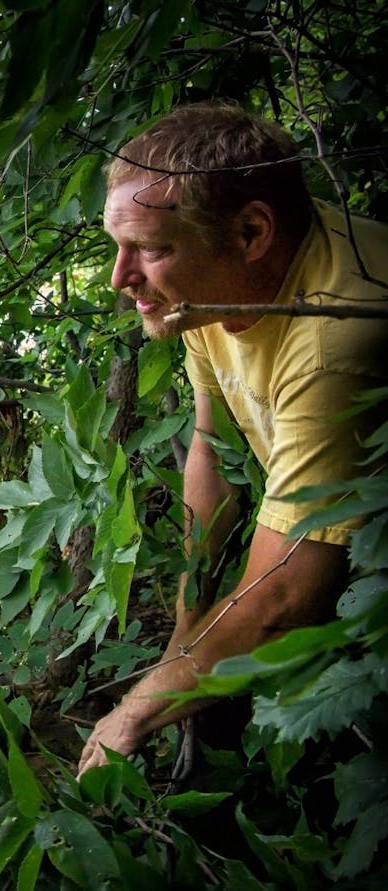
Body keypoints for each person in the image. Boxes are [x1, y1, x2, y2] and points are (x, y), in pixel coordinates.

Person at [78, 102, 388, 777]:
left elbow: (286, 596)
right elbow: (209, 447)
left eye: (151, 249)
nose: (120, 277)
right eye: (117, 244)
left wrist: (132, 711)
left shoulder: (334, 337)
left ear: (251, 232)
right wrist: (187, 629)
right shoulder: (212, 286)